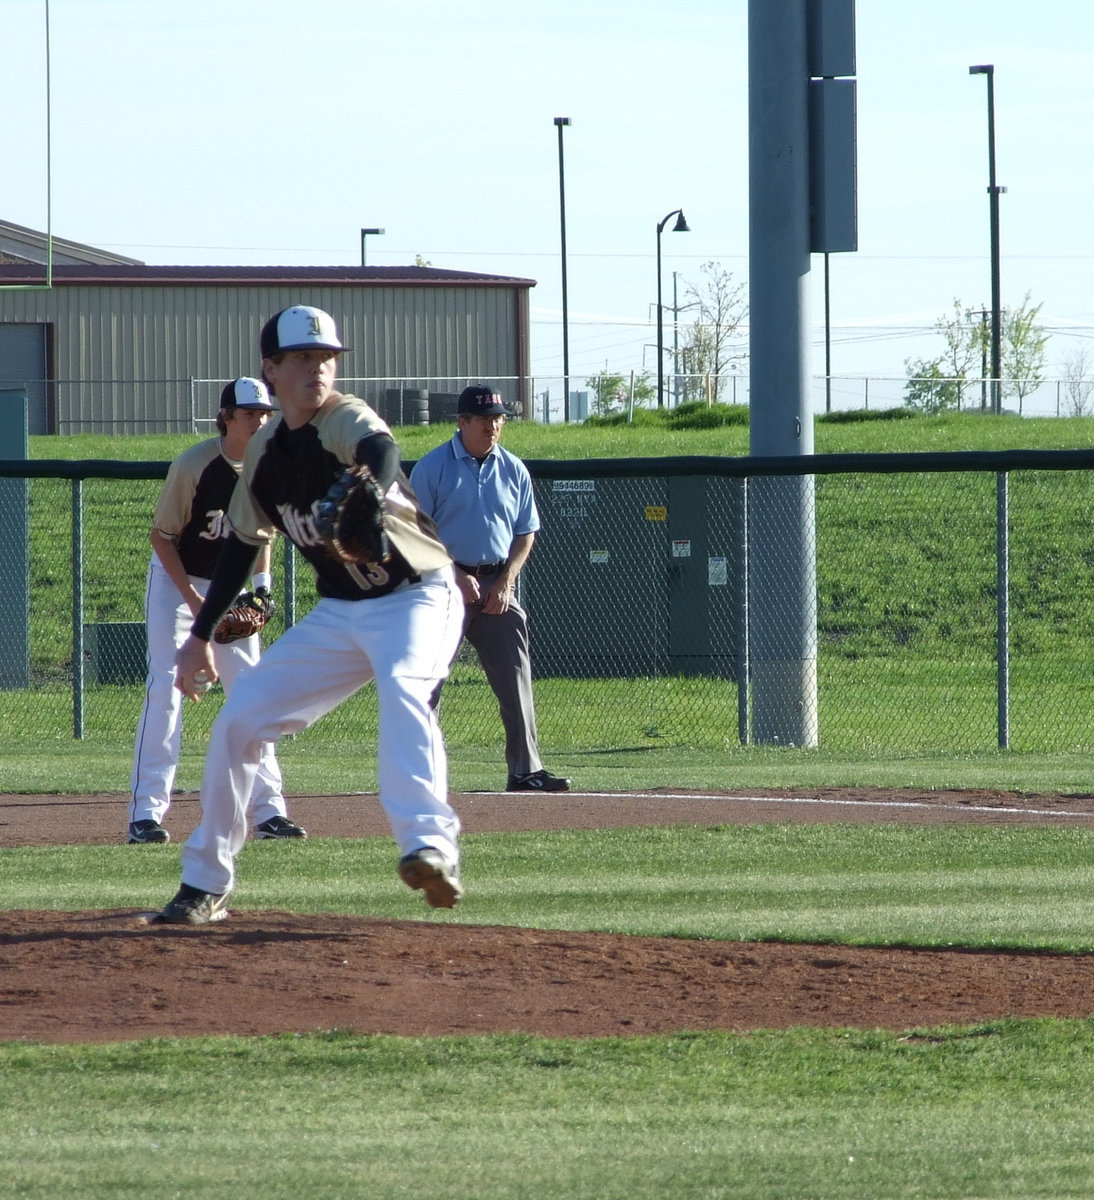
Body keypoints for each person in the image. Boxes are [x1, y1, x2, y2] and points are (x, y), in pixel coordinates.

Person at [157, 305, 465, 924]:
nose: (316, 369)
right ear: (270, 368)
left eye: (325, 358)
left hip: (418, 595)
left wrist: (371, 490)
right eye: (301, 357)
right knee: (238, 722)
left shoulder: (343, 417)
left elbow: (380, 446)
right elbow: (242, 548)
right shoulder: (267, 452)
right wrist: (200, 639)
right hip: (342, 612)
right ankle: (205, 883)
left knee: (406, 686)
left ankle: (429, 846)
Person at [128, 378, 305, 845]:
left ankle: (269, 811)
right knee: (167, 686)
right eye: (250, 413)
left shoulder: (268, 464)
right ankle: (145, 814)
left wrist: (261, 591)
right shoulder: (194, 465)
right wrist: (194, 604)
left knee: (251, 691)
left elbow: (260, 537)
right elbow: (162, 537)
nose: (260, 420)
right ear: (226, 416)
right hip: (177, 580)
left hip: (231, 587)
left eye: (265, 413)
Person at [409, 384, 571, 793]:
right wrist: (454, 573)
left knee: (516, 679)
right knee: (426, 683)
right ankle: (419, 771)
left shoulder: (513, 468)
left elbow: (525, 533)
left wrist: (505, 582)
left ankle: (525, 770)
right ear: (461, 422)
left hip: (496, 585)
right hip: (441, 587)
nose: (493, 426)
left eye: (498, 419)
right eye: (484, 419)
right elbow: (415, 532)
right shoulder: (432, 468)